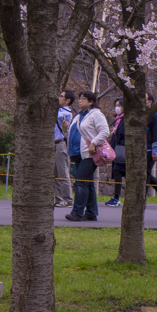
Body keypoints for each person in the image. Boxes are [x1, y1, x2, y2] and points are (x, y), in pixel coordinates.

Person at [65, 91, 109, 222]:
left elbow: (105, 131)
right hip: (77, 153)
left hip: (89, 154)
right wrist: (65, 129)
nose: (80, 101)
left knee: (81, 181)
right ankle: (91, 212)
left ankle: (77, 213)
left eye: (83, 99)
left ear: (91, 101)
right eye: (79, 99)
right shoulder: (78, 116)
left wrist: (94, 143)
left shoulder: (96, 114)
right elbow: (73, 134)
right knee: (87, 183)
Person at [54, 89, 74, 207]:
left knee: (63, 172)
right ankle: (59, 199)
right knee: (55, 173)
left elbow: (58, 116)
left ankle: (68, 199)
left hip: (60, 143)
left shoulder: (66, 112)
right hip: (53, 143)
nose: (59, 98)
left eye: (61, 96)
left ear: (68, 100)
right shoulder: (58, 110)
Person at [105, 97, 125, 207]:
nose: (117, 108)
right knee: (117, 172)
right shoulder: (118, 120)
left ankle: (117, 197)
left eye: (119, 105)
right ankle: (116, 196)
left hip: (122, 151)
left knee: (118, 172)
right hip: (117, 150)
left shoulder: (125, 120)